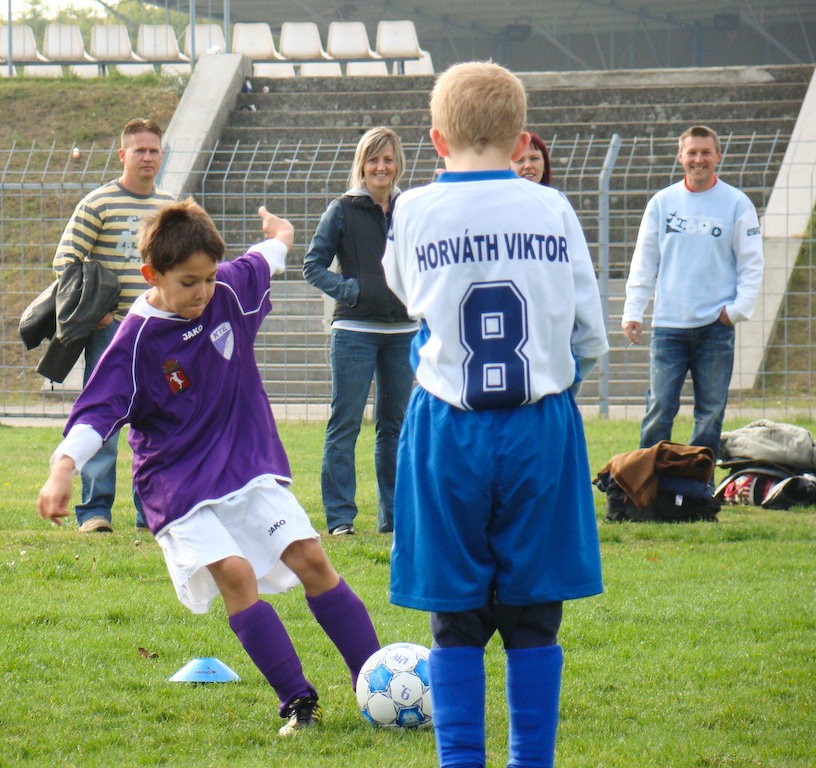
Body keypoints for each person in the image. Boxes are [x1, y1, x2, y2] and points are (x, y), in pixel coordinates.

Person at [38, 200, 381, 736]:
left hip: (244, 464)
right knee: (238, 574)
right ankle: (297, 701)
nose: (202, 292)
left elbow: (266, 257)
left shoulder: (227, 290)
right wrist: (63, 468)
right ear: (152, 276)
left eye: (208, 278)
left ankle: (379, 682)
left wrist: (283, 234)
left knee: (313, 558)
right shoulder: (134, 342)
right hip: (175, 483)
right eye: (188, 282)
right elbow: (96, 411)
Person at [381, 61, 609, 768]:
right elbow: (591, 336)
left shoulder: (413, 208)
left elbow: (404, 291)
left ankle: (461, 762)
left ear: (437, 138)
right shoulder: (552, 208)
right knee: (534, 609)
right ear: (520, 139)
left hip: (448, 424)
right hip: (539, 424)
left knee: (455, 612)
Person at [52, 118, 175, 533]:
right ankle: (95, 513)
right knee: (102, 419)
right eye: (139, 150)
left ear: (162, 155)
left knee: (157, 422)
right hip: (112, 330)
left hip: (160, 332)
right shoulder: (98, 203)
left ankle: (152, 512)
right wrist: (100, 315)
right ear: (122, 155)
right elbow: (66, 261)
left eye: (153, 150)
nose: (147, 157)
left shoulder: (170, 208)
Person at [622, 124, 764, 461]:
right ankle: (649, 483)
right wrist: (633, 311)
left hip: (715, 327)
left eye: (705, 153)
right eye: (691, 153)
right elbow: (644, 262)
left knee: (711, 413)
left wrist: (737, 310)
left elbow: (752, 265)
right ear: (680, 156)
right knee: (659, 409)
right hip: (669, 326)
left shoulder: (737, 204)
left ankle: (698, 487)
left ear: (718, 156)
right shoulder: (662, 203)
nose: (698, 159)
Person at [302, 127, 417, 536]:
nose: (381, 167)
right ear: (362, 165)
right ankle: (340, 519)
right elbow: (312, 264)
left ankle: (395, 517)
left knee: (395, 427)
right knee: (345, 423)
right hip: (353, 330)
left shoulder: (411, 208)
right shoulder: (342, 209)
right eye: (373, 160)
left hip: (404, 331)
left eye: (388, 159)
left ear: (397, 163)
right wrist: (348, 289)